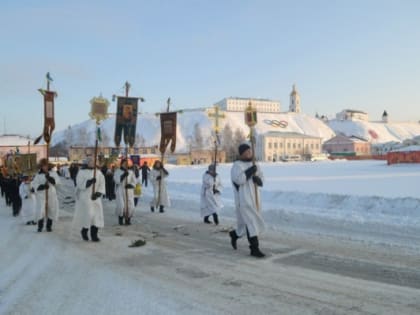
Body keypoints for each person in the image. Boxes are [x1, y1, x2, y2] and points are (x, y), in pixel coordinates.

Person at [229, 143, 266, 258]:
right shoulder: (237, 166)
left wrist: (258, 180)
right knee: (252, 223)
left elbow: (262, 179)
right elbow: (239, 180)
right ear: (242, 154)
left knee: (249, 224)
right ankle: (254, 249)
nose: (249, 153)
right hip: (244, 199)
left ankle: (235, 235)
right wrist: (250, 172)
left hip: (255, 198)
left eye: (250, 151)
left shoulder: (255, 164)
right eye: (246, 152)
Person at [72, 158, 105, 242]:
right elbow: (79, 183)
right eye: (91, 162)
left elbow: (102, 183)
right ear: (87, 163)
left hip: (95, 198)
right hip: (85, 197)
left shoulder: (98, 172)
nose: (93, 163)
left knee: (96, 216)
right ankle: (84, 231)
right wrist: (88, 182)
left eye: (94, 162)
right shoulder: (82, 172)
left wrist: (98, 193)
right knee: (88, 215)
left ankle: (94, 235)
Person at [32, 158, 60, 232]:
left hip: (51, 194)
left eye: (46, 166)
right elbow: (34, 184)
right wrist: (42, 186)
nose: (45, 167)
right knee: (41, 210)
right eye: (43, 166)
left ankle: (49, 226)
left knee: (51, 209)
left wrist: (49, 178)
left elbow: (57, 182)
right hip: (41, 195)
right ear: (41, 167)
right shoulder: (38, 175)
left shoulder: (53, 173)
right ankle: (40, 226)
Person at [113, 158, 136, 225]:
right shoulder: (118, 171)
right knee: (121, 206)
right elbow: (117, 180)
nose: (125, 165)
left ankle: (128, 219)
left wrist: (131, 185)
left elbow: (134, 181)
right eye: (124, 163)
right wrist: (123, 175)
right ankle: (120, 218)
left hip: (129, 191)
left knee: (130, 206)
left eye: (126, 164)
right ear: (121, 164)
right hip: (121, 190)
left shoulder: (131, 172)